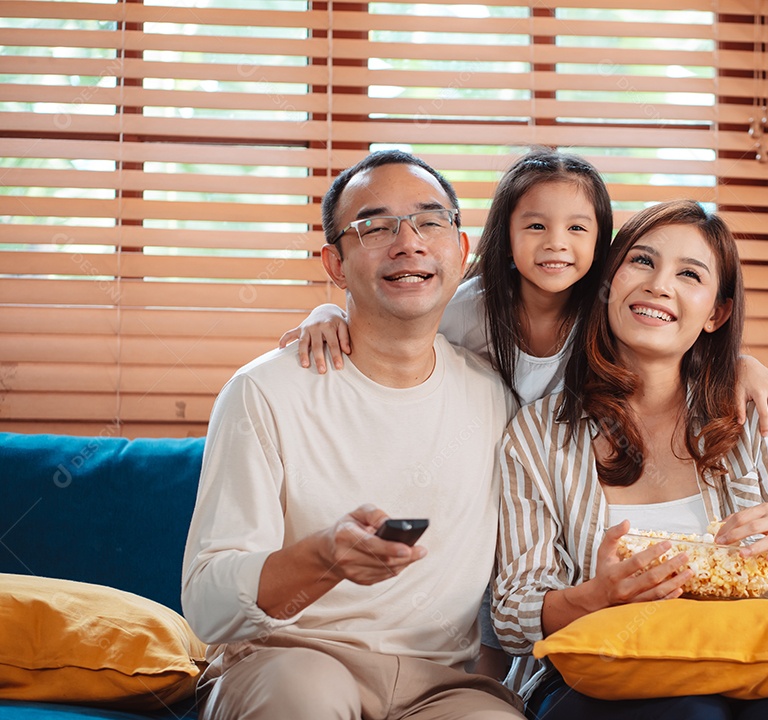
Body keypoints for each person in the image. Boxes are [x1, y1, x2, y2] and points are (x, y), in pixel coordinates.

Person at [181, 150, 524, 720]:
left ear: (461, 250)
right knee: (308, 696)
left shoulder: (496, 398)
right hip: (289, 660)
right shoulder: (263, 391)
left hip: (439, 686)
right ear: (335, 264)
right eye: (376, 227)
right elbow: (207, 603)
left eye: (430, 221)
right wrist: (323, 557)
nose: (408, 243)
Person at [492, 200, 768, 719]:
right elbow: (513, 614)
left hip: (743, 662)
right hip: (595, 674)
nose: (659, 285)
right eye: (642, 261)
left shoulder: (756, 416)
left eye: (689, 274)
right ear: (608, 283)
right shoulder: (536, 435)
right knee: (690, 711)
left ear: (716, 313)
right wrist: (598, 596)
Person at [278, 148, 768, 435]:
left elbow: (672, 350)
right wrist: (328, 312)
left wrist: (742, 363)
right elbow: (396, 328)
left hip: (559, 483)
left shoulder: (608, 312)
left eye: (577, 229)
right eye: (535, 226)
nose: (556, 244)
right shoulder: (468, 310)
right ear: (505, 235)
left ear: (601, 241)